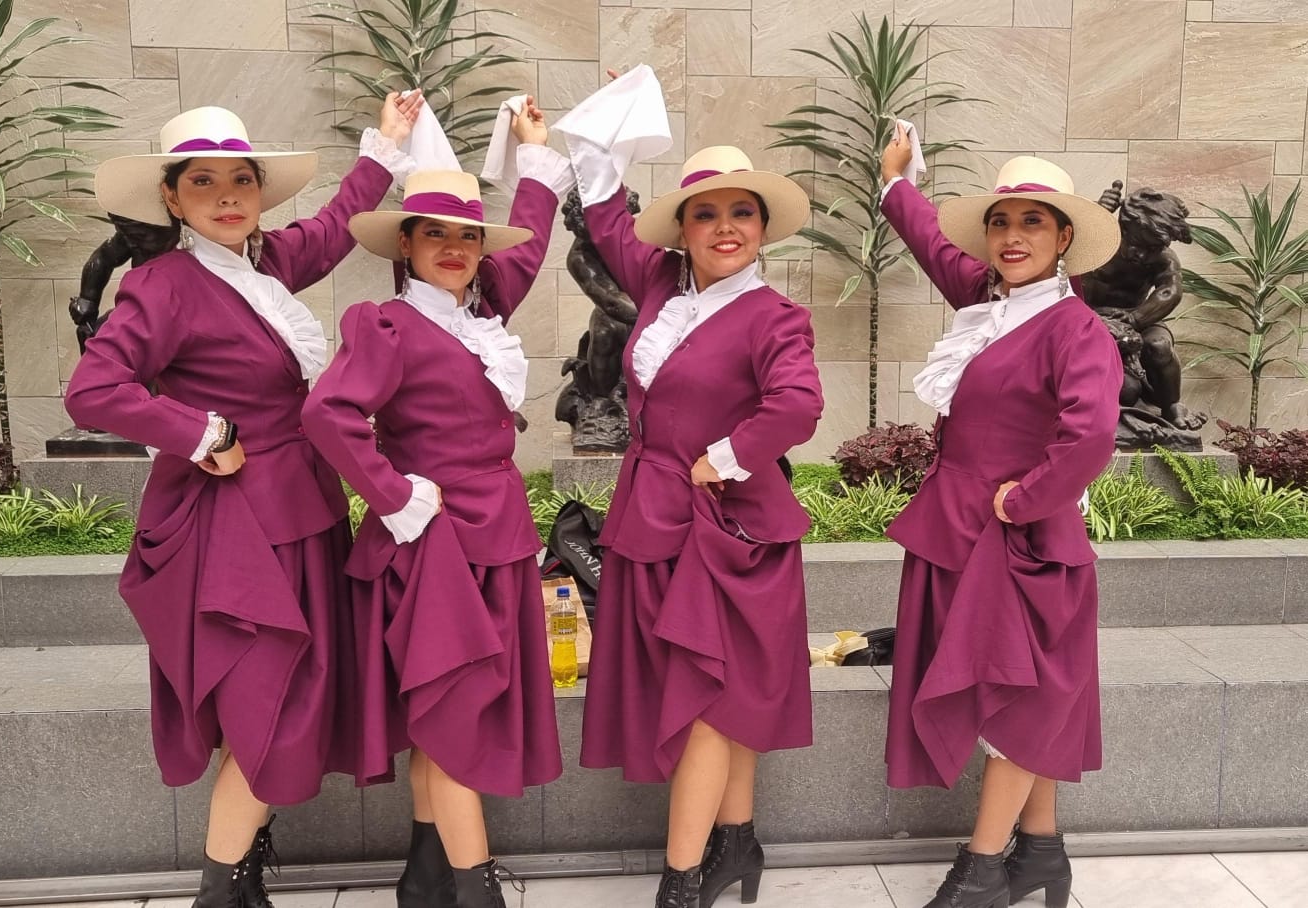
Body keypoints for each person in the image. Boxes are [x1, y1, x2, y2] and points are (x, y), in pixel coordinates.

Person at [64, 93, 423, 908]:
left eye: (241, 181)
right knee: (271, 707)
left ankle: (244, 876)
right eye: (203, 182)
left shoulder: (265, 262)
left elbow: (331, 228)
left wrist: (386, 145)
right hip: (235, 530)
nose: (227, 197)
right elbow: (93, 390)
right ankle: (220, 893)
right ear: (171, 196)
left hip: (302, 514)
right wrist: (201, 430)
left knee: (272, 703)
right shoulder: (163, 285)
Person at [555, 68, 824, 908]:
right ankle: (736, 846)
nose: (725, 227)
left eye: (742, 211)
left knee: (711, 700)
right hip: (656, 517)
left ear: (763, 226)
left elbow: (799, 404)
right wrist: (606, 119)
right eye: (706, 213)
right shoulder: (660, 282)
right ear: (683, 228)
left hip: (727, 530)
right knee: (719, 696)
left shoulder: (776, 315)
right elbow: (604, 213)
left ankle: (680, 883)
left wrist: (727, 456)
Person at [301, 97, 570, 908]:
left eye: (468, 236)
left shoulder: (481, 316)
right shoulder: (387, 325)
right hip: (435, 547)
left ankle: (425, 879)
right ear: (405, 245)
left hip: (495, 539)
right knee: (453, 716)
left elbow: (530, 240)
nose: (454, 248)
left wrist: (534, 155)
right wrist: (394, 495)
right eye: (435, 234)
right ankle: (476, 891)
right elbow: (327, 414)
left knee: (445, 713)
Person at [879, 127, 1123, 908]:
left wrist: (1023, 500)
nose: (1013, 237)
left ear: (1064, 238)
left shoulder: (1077, 328)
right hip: (959, 533)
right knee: (1025, 693)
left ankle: (981, 869)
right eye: (1001, 222)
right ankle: (1041, 849)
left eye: (1033, 223)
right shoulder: (990, 303)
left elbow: (1090, 436)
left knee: (1019, 698)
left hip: (1021, 542)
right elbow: (931, 244)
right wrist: (895, 182)